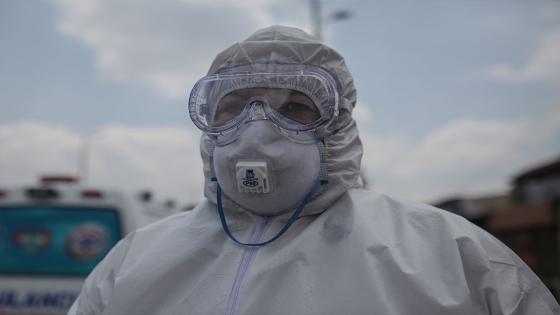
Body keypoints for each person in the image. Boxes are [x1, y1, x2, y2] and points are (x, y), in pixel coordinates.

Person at [69, 26, 560, 315]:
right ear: (209, 125)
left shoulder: (451, 254)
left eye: (296, 106)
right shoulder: (134, 262)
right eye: (233, 105)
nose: (257, 128)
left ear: (338, 125)